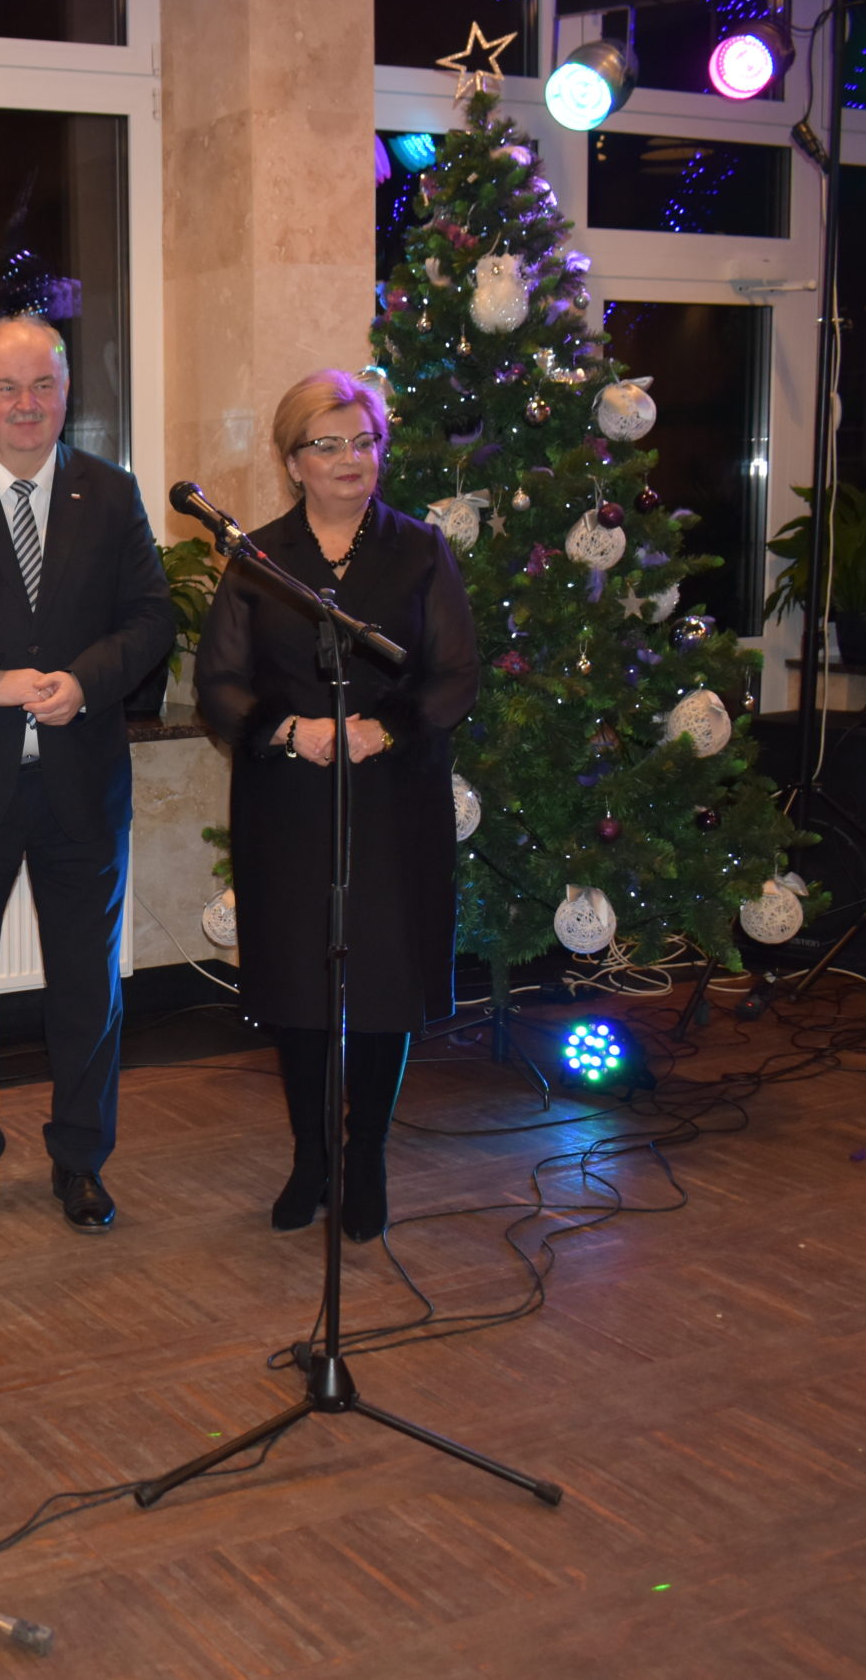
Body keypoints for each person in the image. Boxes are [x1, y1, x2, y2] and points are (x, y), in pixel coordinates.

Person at [0, 315, 175, 1235]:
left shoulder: (111, 491)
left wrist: (83, 682)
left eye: (42, 385)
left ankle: (81, 1161)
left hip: (79, 782)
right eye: (6, 387)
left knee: (88, 986)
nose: (26, 404)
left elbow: (151, 617)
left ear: (65, 392)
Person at [193, 370, 478, 1242]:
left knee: (383, 980)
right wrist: (290, 731)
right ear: (293, 462)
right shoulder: (259, 559)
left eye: (364, 441)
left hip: (393, 799)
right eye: (329, 444)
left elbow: (455, 675)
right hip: (289, 802)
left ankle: (368, 1157)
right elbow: (219, 685)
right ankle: (311, 1156)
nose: (352, 459)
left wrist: (383, 730)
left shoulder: (420, 550)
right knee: (299, 982)